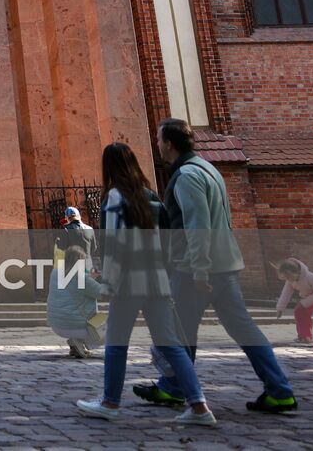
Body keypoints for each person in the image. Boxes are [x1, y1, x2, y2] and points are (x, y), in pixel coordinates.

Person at [142, 118, 298, 416]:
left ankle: (174, 388)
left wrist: (199, 270)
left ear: (170, 144)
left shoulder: (187, 176)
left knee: (178, 331)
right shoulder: (208, 168)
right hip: (225, 266)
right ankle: (279, 390)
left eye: (159, 139)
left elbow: (197, 226)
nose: (158, 144)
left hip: (197, 269)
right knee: (244, 329)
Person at [75, 142, 215, 427]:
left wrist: (109, 283)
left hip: (128, 283)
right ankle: (199, 406)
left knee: (116, 344)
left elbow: (113, 244)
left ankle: (110, 403)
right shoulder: (152, 197)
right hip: (157, 281)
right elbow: (168, 243)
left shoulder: (115, 197)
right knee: (172, 345)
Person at [46, 245, 102, 359]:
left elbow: (74, 284)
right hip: (75, 326)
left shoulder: (55, 273)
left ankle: (76, 345)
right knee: (107, 323)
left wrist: (89, 278)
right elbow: (101, 293)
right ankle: (77, 340)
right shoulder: (82, 278)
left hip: (56, 325)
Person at [274, 257, 313, 347]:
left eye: (289, 277)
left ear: (296, 272)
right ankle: (305, 337)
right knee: (299, 312)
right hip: (308, 297)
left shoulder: (310, 277)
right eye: (286, 278)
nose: (289, 279)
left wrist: (304, 302)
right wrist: (280, 308)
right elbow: (286, 294)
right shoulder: (290, 281)